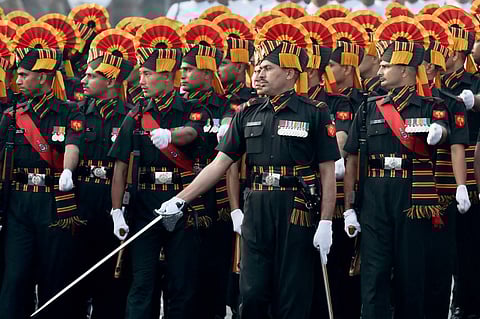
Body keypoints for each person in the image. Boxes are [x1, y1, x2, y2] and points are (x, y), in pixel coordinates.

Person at [157, 16, 339, 319]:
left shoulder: (314, 114)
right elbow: (220, 163)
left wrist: (326, 222)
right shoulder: (247, 113)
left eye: (268, 68)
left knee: (292, 297)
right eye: (258, 68)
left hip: (296, 210)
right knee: (252, 294)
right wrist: (181, 199)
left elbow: (327, 173)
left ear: (291, 74)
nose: (259, 75)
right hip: (257, 206)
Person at [343, 16, 450, 319]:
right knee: (373, 273)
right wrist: (350, 206)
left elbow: (444, 130)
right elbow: (352, 156)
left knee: (409, 273)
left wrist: (438, 132)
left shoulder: (430, 106)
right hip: (375, 194)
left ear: (404, 71)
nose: (379, 71)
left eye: (386, 66)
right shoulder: (369, 106)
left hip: (411, 196)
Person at [108, 19, 207, 319]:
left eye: (147, 74)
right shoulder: (135, 116)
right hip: (144, 205)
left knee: (181, 284)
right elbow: (120, 167)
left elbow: (192, 132)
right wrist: (116, 211)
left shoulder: (191, 108)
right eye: (140, 74)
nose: (141, 80)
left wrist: (170, 135)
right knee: (142, 283)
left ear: (167, 77)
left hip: (181, 202)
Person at [0, 21, 85, 318]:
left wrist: (68, 171)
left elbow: (73, 144)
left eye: (24, 75)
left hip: (54, 203)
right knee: (15, 278)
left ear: (45, 77)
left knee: (54, 280)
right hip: (18, 205)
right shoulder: (12, 116)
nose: (18, 81)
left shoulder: (70, 111)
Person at [75, 27, 136, 318]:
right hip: (79, 197)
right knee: (72, 273)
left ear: (111, 80)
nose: (83, 80)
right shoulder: (75, 113)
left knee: (111, 279)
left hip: (112, 200)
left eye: (91, 76)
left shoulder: (130, 115)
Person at [416, 13, 471, 319]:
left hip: (441, 191)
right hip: (408, 191)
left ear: (434, 68)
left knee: (440, 260)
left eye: (424, 65)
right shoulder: (399, 103)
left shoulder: (450, 102)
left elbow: (457, 145)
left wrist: (462, 185)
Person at [181, 18, 234, 319]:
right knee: (183, 273)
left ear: (206, 72)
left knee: (214, 267)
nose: (183, 75)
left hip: (217, 197)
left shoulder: (226, 106)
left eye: (189, 70)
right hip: (184, 192)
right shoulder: (178, 105)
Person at [434, 7, 480, 319]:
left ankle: (467, 303)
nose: (442, 55)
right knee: (437, 248)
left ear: (460, 52)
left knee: (468, 247)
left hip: (468, 172)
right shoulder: (431, 82)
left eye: (448, 50)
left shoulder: (472, 81)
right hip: (433, 174)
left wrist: (474, 100)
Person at [213, 12, 257, 319]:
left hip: (247, 184)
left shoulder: (249, 99)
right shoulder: (214, 98)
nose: (219, 68)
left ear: (241, 65)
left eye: (226, 62)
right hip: (214, 187)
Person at [349, 10, 388, 96]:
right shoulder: (354, 88)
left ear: (375, 58)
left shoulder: (386, 91)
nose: (354, 58)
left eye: (360, 54)